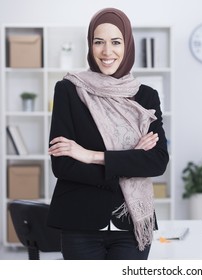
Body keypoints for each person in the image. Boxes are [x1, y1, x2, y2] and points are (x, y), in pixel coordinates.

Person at [47, 7, 169, 260]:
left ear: (128, 45)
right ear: (90, 46)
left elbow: (157, 162)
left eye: (116, 42)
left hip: (132, 226)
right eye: (98, 42)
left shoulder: (146, 96)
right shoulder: (69, 90)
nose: (107, 51)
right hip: (80, 223)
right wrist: (132, 159)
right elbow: (63, 165)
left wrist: (90, 156)